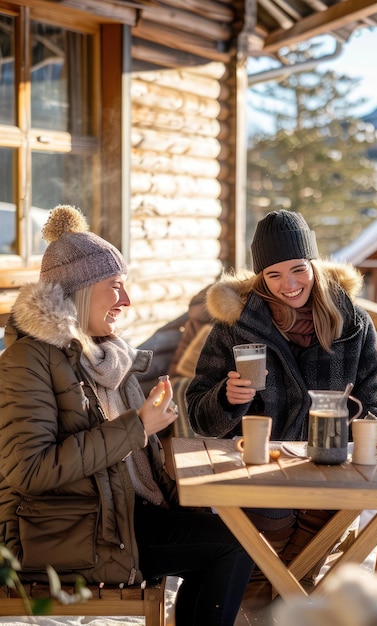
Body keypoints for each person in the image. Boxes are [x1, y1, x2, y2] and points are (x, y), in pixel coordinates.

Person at [0, 205, 253, 626]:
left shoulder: (106, 354)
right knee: (233, 545)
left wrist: (151, 429)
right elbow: (30, 470)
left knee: (229, 528)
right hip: (65, 534)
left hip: (114, 513)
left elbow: (120, 451)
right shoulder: (27, 361)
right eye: (114, 286)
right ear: (79, 291)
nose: (127, 300)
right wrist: (136, 427)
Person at [185, 209, 377, 599]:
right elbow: (198, 415)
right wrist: (226, 400)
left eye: (298, 269)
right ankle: (278, 604)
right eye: (274, 275)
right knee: (270, 537)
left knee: (319, 533)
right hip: (259, 474)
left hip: (329, 471)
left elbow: (375, 408)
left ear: (313, 263)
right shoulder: (236, 325)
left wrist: (350, 428)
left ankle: (276, 603)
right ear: (261, 276)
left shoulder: (354, 324)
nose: (289, 285)